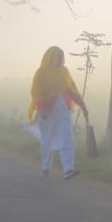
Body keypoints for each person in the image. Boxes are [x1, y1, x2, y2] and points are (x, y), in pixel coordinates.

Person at [28, 46, 88, 179]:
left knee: (67, 138)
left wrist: (83, 106)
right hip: (47, 112)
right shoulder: (41, 73)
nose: (61, 60)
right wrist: (41, 108)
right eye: (58, 58)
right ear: (50, 58)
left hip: (64, 111)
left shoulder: (64, 72)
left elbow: (72, 90)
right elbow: (36, 93)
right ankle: (45, 167)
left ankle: (68, 169)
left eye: (62, 58)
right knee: (47, 140)